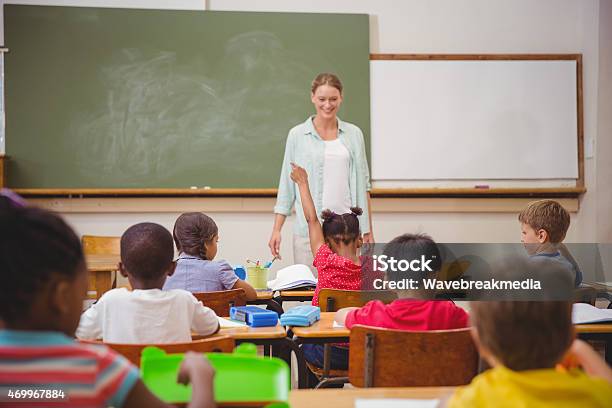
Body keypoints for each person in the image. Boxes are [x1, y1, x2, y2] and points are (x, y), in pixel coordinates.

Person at [0, 192, 216, 408]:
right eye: (84, 291)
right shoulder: (97, 370)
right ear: (62, 297)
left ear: (122, 269)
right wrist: (202, 378)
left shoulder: (111, 301)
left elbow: (82, 333)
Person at [448, 257, 612, 408]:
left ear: (480, 342)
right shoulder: (594, 395)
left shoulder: (471, 400)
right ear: (570, 335)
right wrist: (581, 349)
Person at [269, 73, 373, 274]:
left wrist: (367, 230)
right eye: (322, 99)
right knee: (313, 293)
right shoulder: (297, 135)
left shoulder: (354, 134)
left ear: (341, 97)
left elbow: (364, 187)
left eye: (333, 99)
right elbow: (287, 184)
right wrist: (276, 229)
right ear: (312, 97)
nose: (328, 105)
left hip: (348, 232)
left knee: (348, 293)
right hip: (310, 232)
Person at [290, 163, 376, 376]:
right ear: (359, 241)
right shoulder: (376, 269)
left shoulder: (325, 259)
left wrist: (303, 183)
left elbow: (311, 220)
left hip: (329, 353)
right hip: (367, 352)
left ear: (327, 243)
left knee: (301, 342)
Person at [77, 222, 219, 343]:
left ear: (122, 269)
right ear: (172, 268)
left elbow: (79, 331)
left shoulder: (111, 300)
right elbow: (213, 326)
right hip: (171, 375)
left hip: (125, 376)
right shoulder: (184, 300)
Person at [334, 233, 469, 331]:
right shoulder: (449, 313)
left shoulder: (375, 314)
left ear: (388, 281)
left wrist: (360, 310)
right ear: (436, 277)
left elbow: (341, 315)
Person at [163, 212, 257, 301]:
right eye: (216, 241)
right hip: (212, 318)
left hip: (174, 318)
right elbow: (252, 295)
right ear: (206, 243)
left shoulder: (164, 271)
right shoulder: (220, 269)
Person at [519, 199, 583, 286]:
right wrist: (565, 251)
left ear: (541, 236)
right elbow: (578, 280)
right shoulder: (567, 266)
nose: (522, 239)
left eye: (524, 233)